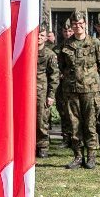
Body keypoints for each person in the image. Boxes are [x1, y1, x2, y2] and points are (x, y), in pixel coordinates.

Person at [56, 16, 100, 168]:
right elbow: (61, 67)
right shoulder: (66, 45)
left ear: (85, 25)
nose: (78, 26)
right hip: (72, 90)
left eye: (80, 23)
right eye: (75, 24)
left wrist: (91, 78)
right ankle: (78, 156)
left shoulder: (94, 43)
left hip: (90, 90)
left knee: (90, 124)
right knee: (74, 124)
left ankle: (91, 156)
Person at [36, 29, 57, 158]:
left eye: (42, 35)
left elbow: (54, 76)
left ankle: (42, 145)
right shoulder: (26, 50)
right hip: (27, 91)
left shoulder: (49, 54)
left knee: (41, 119)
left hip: (41, 92)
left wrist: (51, 95)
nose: (39, 37)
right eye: (37, 35)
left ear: (46, 38)